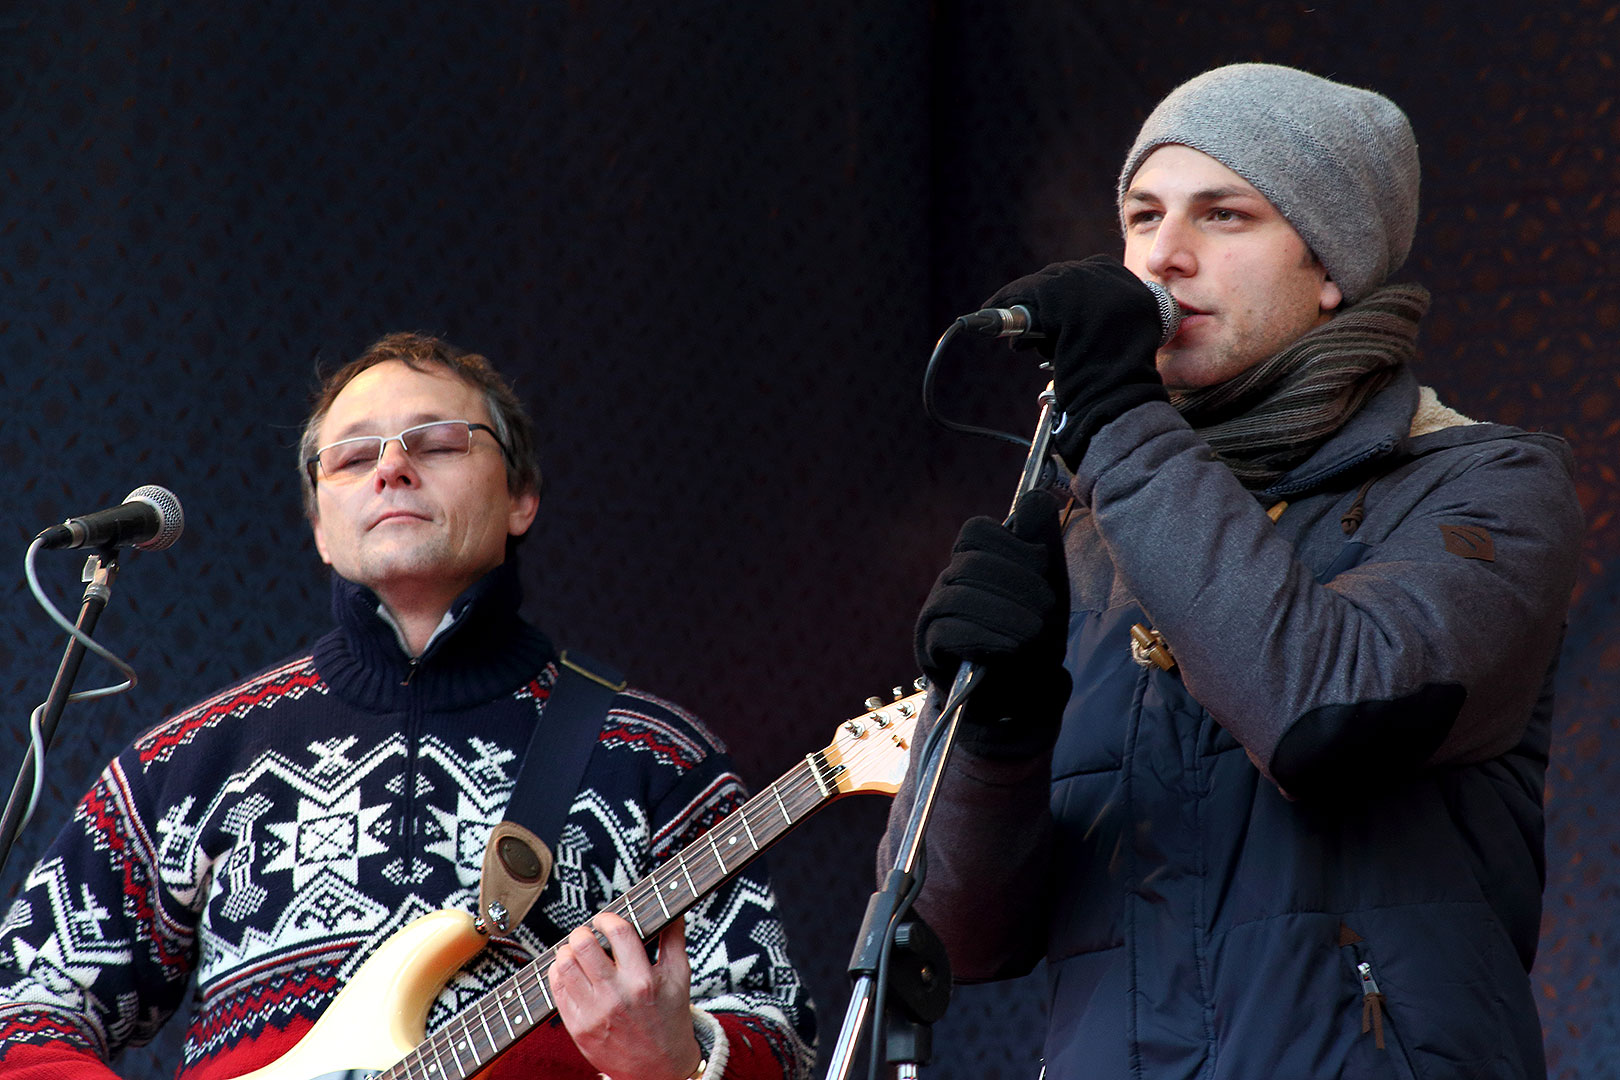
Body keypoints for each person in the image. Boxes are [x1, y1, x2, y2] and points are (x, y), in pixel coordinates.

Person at [885, 64, 1582, 1078]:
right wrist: (999, 733)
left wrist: (1121, 416)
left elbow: (1323, 717)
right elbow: (953, 939)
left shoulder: (1488, 485)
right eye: (1142, 215)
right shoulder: (1095, 528)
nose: (1164, 257)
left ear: (1332, 262)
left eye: (1224, 215)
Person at [0, 333, 816, 1080]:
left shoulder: (657, 756)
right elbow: (24, 1009)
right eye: (352, 458)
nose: (391, 467)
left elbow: (779, 1035)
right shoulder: (189, 760)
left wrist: (678, 1061)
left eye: (436, 443)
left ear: (521, 495)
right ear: (320, 525)